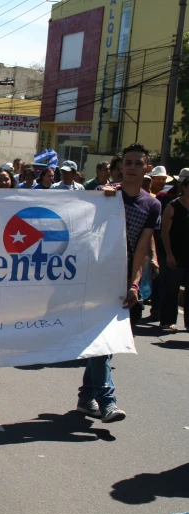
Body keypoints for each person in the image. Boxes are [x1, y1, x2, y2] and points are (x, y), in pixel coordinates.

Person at [78, 143, 161, 423]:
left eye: (138, 163)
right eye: (128, 162)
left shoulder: (152, 204)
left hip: (124, 279)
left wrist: (135, 284)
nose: (132, 168)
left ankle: (86, 396)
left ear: (146, 168)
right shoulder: (105, 194)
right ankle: (107, 401)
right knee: (104, 339)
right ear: (120, 166)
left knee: (107, 343)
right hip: (98, 276)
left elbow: (142, 247)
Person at [159, 172, 189, 331]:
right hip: (175, 255)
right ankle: (167, 320)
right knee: (171, 289)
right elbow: (164, 233)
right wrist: (169, 254)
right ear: (183, 187)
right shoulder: (173, 206)